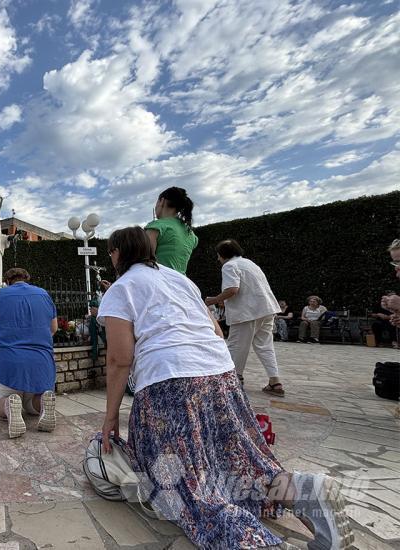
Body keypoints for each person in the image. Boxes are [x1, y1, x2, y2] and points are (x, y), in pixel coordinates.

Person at [98, 227, 352, 550]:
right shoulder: (181, 280)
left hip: (170, 383)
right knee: (241, 459)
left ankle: (257, 543)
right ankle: (304, 492)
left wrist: (110, 418)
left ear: (118, 253)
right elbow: (216, 331)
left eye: (111, 252)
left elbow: (120, 359)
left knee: (189, 488)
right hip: (220, 372)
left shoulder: (121, 289)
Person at [0, 268, 58, 438]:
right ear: (27, 279)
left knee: (0, 400)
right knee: (32, 404)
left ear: (7, 281)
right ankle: (44, 403)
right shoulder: (43, 294)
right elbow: (54, 328)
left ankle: (9, 405)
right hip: (41, 359)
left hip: (8, 360)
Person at [204, 240, 285, 396]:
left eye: (218, 256)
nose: (217, 259)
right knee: (265, 346)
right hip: (266, 309)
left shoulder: (229, 266)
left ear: (222, 255)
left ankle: (234, 380)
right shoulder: (250, 263)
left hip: (247, 312)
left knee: (236, 346)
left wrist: (213, 300)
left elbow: (232, 289)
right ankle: (275, 382)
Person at [144, 187, 198, 275]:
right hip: (182, 283)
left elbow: (145, 262)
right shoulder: (191, 234)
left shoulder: (156, 227)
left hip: (160, 283)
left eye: (156, 202)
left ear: (162, 201)